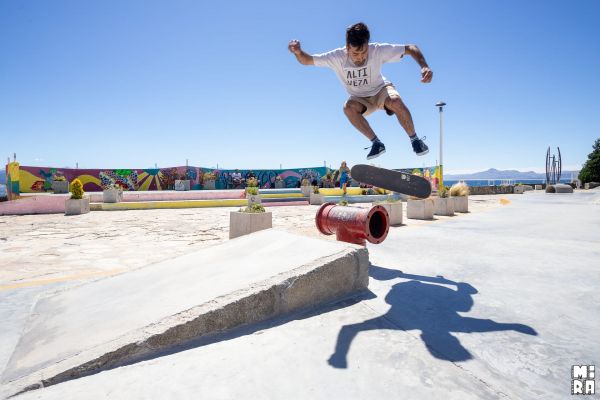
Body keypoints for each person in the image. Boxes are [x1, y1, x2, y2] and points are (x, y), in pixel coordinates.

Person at [288, 22, 432, 160]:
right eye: (355, 53)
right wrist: (298, 52)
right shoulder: (336, 57)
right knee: (348, 108)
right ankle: (376, 143)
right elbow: (307, 60)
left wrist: (424, 66)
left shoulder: (377, 50)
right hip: (360, 98)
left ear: (368, 45)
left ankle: (415, 140)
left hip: (381, 90)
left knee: (395, 101)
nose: (360, 57)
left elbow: (411, 48)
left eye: (363, 52)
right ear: (347, 47)